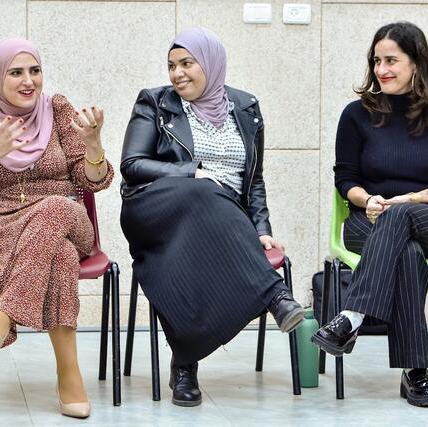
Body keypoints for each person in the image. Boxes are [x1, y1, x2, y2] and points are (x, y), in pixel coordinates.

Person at [119, 27, 305, 407]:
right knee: (205, 189)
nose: (177, 73)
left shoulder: (247, 108)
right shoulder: (155, 102)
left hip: (221, 220)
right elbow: (132, 165)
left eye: (187, 63)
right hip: (156, 208)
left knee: (188, 252)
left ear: (212, 64)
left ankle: (185, 363)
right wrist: (191, 174)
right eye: (172, 65)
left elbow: (253, 181)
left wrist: (262, 229)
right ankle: (275, 295)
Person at [0, 38, 113, 418]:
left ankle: (3, 316)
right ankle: (69, 375)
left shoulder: (57, 110)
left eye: (34, 70)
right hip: (1, 230)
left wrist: (93, 145)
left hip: (68, 219)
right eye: (16, 72)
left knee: (55, 207)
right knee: (60, 256)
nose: (29, 81)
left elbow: (93, 182)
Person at [311, 22, 428, 407]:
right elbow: (345, 177)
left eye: (392, 60)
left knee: (403, 220)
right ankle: (416, 372)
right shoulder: (355, 115)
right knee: (407, 253)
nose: (382, 69)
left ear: (416, 63)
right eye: (377, 60)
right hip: (369, 220)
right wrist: (368, 201)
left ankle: (352, 314)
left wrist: (411, 199)